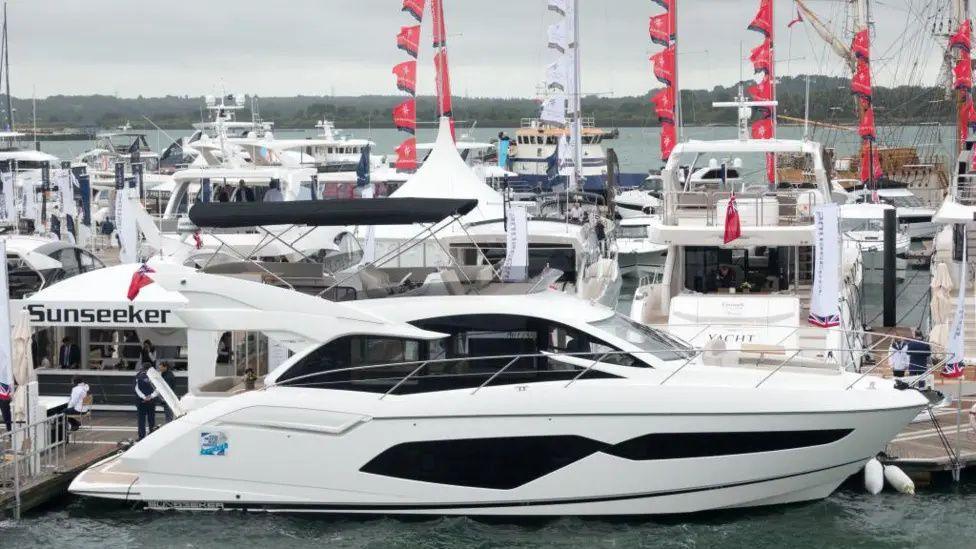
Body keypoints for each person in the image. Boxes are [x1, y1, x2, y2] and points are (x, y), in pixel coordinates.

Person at [134, 362, 158, 440]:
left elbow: (136, 388)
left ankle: (141, 436)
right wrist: (151, 396)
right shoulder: (155, 376)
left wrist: (144, 397)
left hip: (141, 401)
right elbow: (158, 388)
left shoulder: (138, 375)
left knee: (141, 419)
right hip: (151, 401)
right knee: (151, 419)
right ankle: (152, 434)